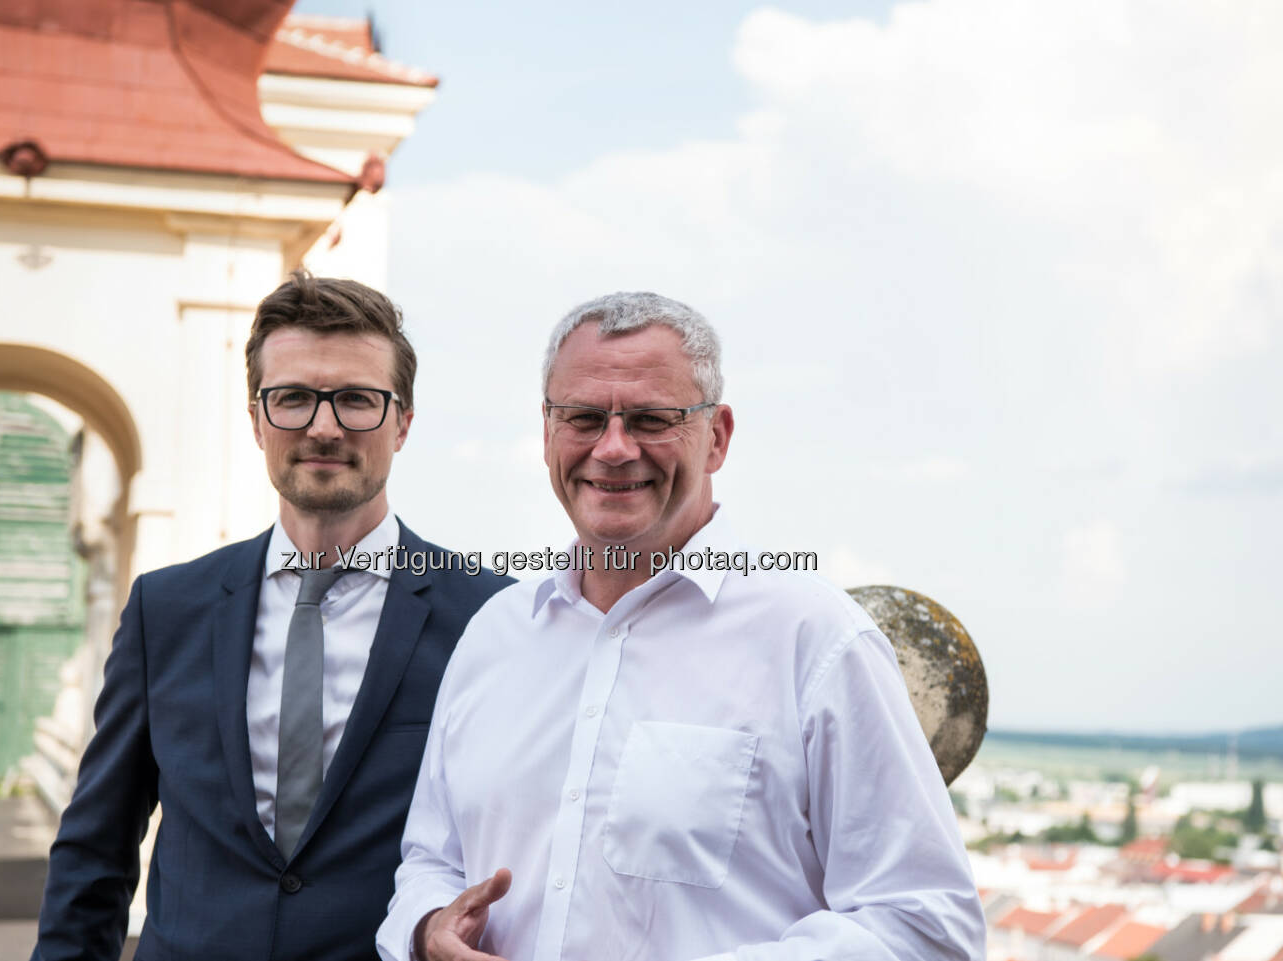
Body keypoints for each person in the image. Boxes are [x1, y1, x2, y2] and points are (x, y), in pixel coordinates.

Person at [377, 292, 986, 961]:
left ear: (717, 436)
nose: (612, 448)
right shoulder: (496, 636)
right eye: (583, 417)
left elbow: (927, 925)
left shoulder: (815, 641)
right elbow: (430, 858)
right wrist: (428, 928)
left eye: (650, 419)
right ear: (547, 430)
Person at [32, 272, 511, 961]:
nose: (323, 426)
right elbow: (95, 850)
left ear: (403, 422)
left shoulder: (489, 614)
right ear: (256, 419)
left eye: (356, 399)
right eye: (292, 398)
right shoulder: (165, 610)